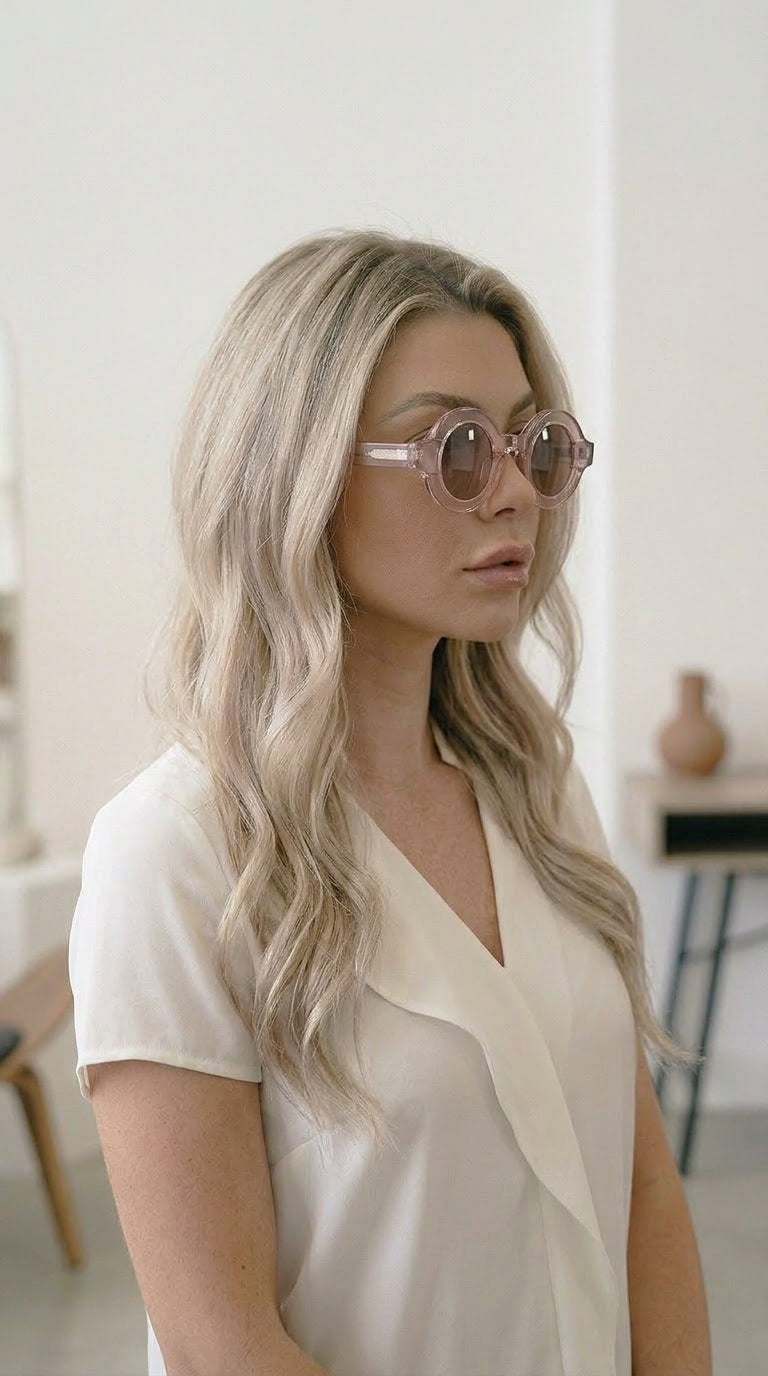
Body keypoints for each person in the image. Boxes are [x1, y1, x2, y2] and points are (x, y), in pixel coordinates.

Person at [68, 228, 707, 1376]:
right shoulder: (173, 855)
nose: (515, 491)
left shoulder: (539, 791)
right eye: (453, 446)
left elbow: (641, 1187)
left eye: (534, 443)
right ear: (293, 471)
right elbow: (226, 1347)